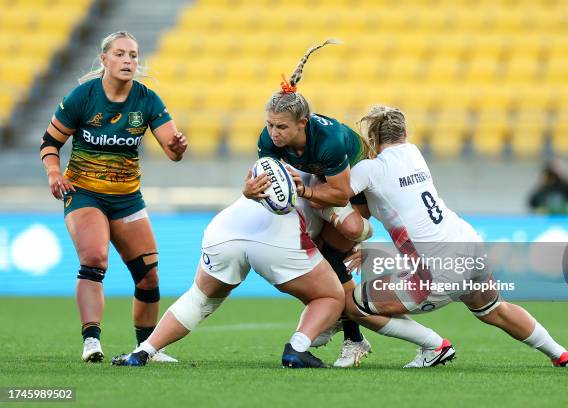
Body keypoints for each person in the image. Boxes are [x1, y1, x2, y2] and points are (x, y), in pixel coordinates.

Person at [337, 105, 568, 368]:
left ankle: (434, 346)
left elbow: (336, 193)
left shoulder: (370, 170)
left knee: (352, 303)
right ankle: (562, 355)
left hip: (438, 270)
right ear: (405, 133)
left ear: (373, 137)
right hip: (467, 242)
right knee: (495, 309)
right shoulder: (414, 154)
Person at [39, 31, 187, 363]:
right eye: (120, 54)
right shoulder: (83, 97)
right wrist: (53, 173)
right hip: (84, 193)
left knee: (149, 275)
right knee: (94, 259)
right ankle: (91, 340)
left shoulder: (147, 100)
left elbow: (172, 148)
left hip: (127, 198)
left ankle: (147, 347)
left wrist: (177, 148)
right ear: (104, 59)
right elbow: (50, 143)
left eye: (133, 55)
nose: (128, 61)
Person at [111, 170, 345, 368]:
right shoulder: (331, 181)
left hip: (226, 230)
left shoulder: (273, 158)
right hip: (277, 241)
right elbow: (354, 228)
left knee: (199, 298)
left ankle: (142, 352)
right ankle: (297, 348)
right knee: (330, 296)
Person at [244, 39, 374, 367]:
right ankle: (337, 321)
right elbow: (274, 187)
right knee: (310, 249)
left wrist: (305, 194)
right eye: (270, 125)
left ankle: (353, 338)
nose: (273, 133)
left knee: (345, 236)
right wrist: (251, 192)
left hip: (356, 184)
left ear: (303, 123)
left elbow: (342, 193)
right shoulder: (268, 140)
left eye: (282, 127)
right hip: (318, 184)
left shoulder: (328, 141)